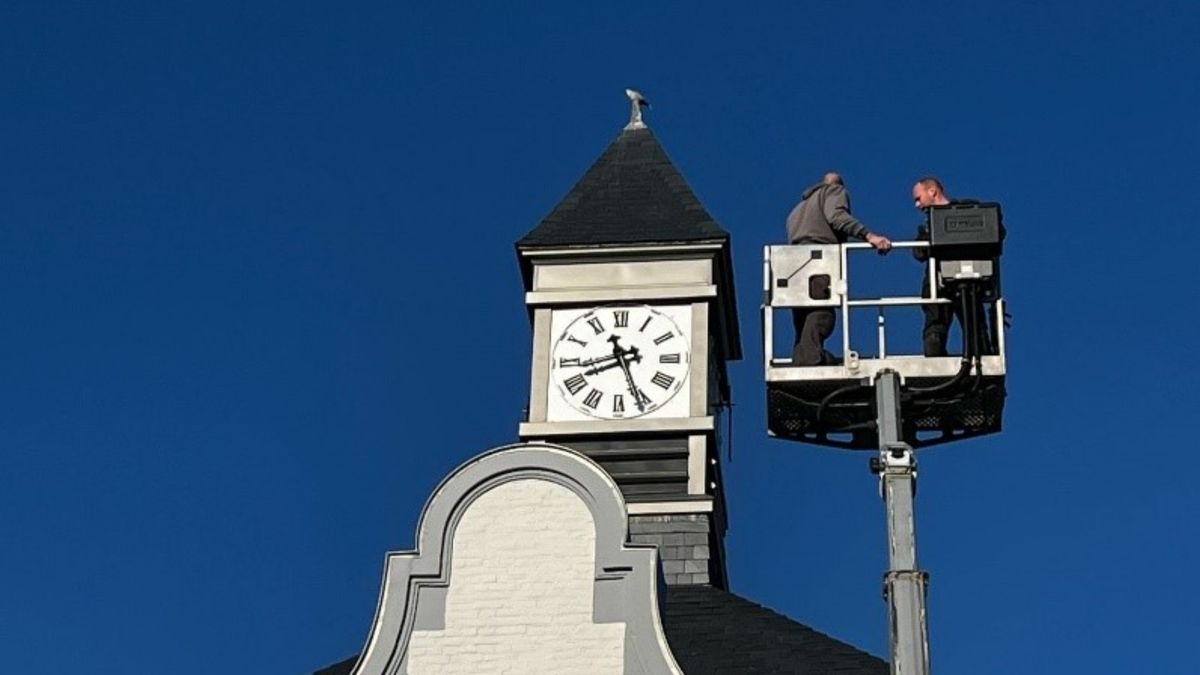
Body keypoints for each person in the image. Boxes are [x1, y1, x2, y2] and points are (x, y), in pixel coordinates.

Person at [786, 172, 892, 365]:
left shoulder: (797, 210)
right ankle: (811, 360)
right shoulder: (834, 191)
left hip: (793, 265)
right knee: (822, 313)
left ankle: (801, 359)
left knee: (802, 320)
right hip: (818, 261)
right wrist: (868, 235)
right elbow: (837, 217)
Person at [911, 176, 994, 356]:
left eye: (918, 198)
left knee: (975, 329)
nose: (917, 205)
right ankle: (936, 364)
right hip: (937, 284)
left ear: (932, 191)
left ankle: (981, 364)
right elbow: (918, 253)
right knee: (935, 329)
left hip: (970, 282)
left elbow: (995, 233)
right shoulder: (926, 227)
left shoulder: (970, 213)